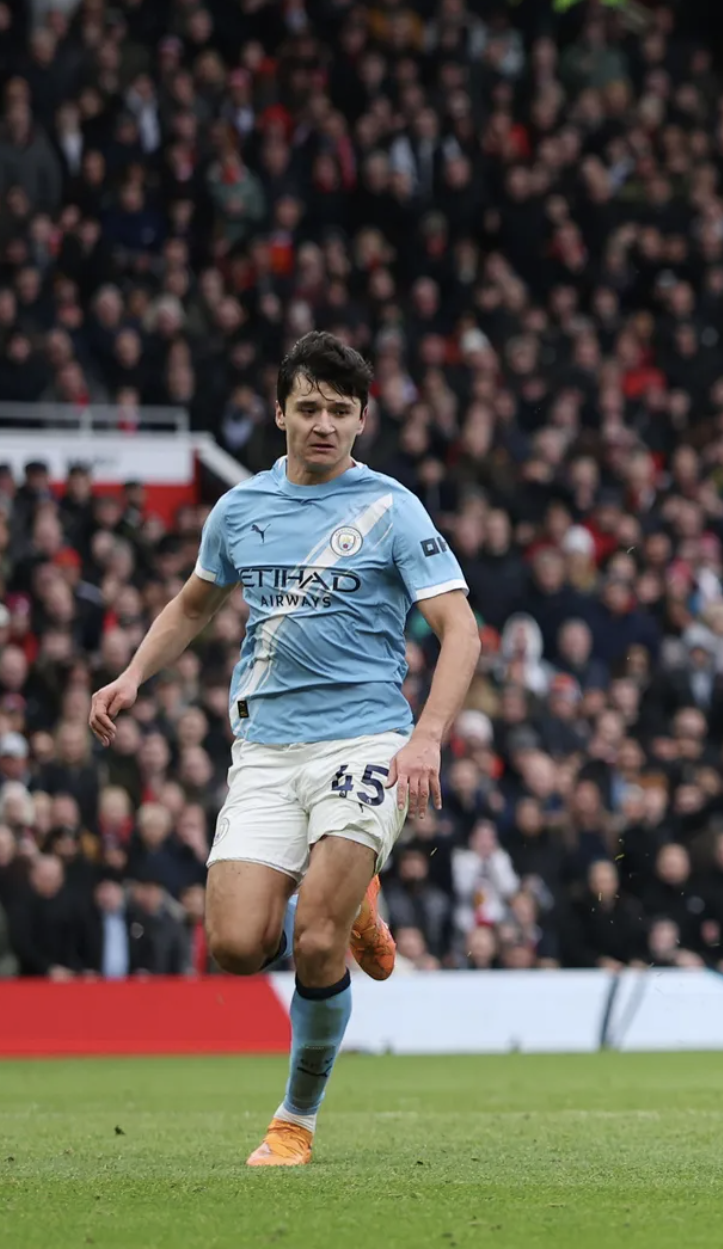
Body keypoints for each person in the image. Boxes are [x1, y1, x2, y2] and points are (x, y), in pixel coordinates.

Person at [86, 332, 481, 1164]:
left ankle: (294, 1121)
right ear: (279, 413)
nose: (325, 424)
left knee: (314, 941)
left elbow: (461, 630)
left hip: (366, 741)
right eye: (309, 407)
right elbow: (194, 606)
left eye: (341, 411)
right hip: (264, 751)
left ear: (362, 420)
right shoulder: (240, 510)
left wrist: (427, 737)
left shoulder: (392, 508)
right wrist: (131, 676)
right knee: (234, 946)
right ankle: (355, 913)